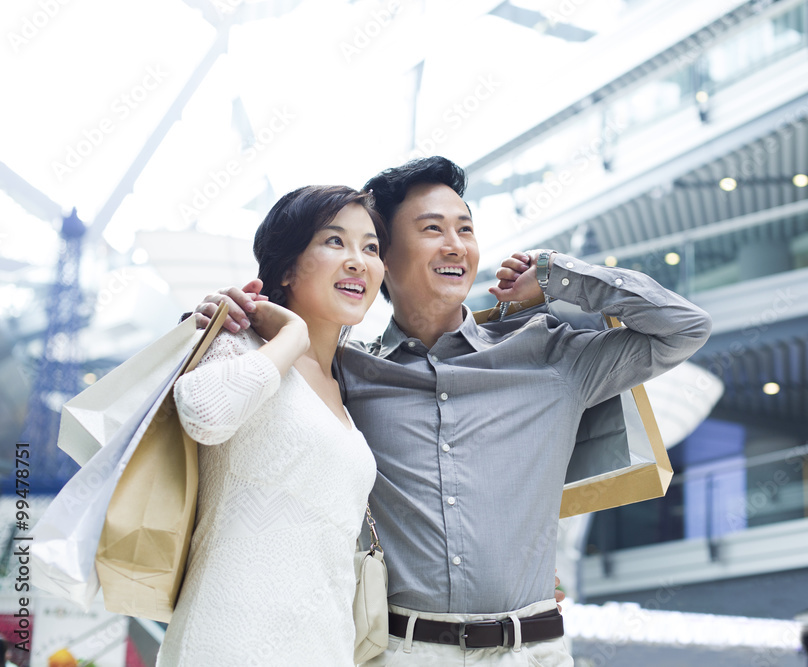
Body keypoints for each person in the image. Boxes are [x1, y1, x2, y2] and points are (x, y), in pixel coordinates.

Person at [194, 156, 712, 665]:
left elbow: (684, 328)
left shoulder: (551, 355)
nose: (456, 246)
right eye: (432, 229)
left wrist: (559, 276)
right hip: (400, 651)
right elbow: (240, 394)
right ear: (386, 259)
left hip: (532, 652)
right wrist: (220, 318)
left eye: (465, 229)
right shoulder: (345, 376)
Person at [159, 186, 387, 665]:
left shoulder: (347, 388)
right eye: (334, 241)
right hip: (227, 643)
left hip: (323, 647)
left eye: (370, 247)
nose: (358, 261)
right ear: (286, 266)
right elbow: (205, 415)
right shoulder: (238, 345)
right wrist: (293, 335)